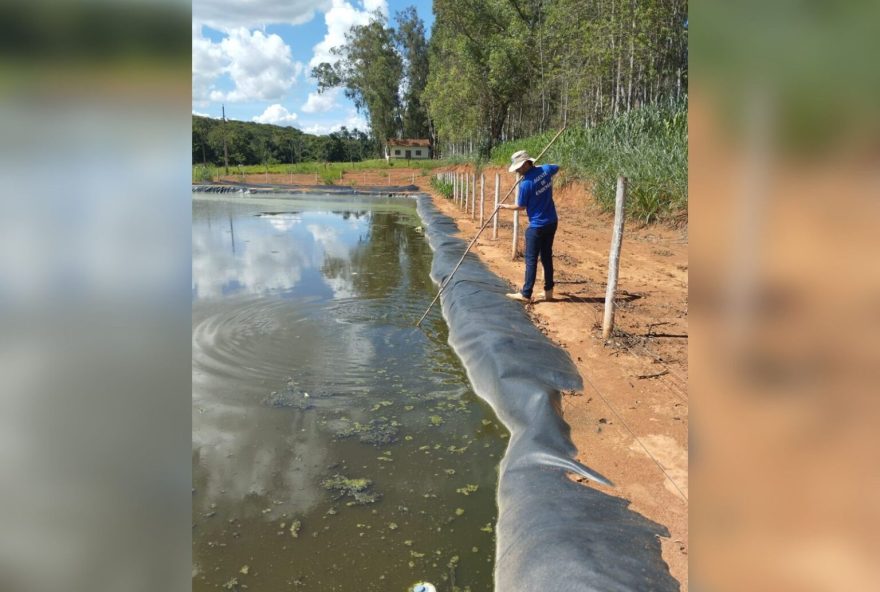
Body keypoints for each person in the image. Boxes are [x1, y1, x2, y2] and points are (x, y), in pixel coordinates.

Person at [499, 150, 559, 302]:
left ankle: (526, 293)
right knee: (546, 257)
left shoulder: (525, 184)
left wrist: (504, 206)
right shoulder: (545, 170)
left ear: (526, 164)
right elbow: (556, 167)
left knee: (531, 259)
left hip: (537, 225)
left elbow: (520, 206)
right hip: (552, 222)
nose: (517, 170)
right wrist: (538, 169)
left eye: (519, 167)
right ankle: (549, 292)